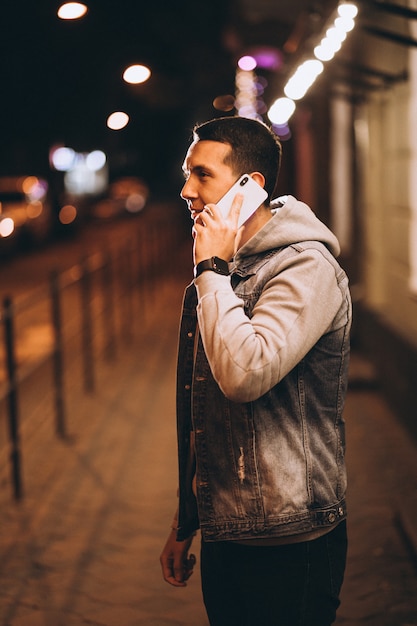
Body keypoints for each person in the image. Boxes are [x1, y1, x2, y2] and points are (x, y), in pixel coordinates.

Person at [160, 115, 351, 626]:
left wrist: (210, 273)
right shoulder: (232, 267)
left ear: (250, 187)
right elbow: (210, 408)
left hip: (290, 533)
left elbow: (246, 376)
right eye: (187, 174)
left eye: (202, 175)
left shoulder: (305, 267)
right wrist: (188, 517)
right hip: (229, 527)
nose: (186, 190)